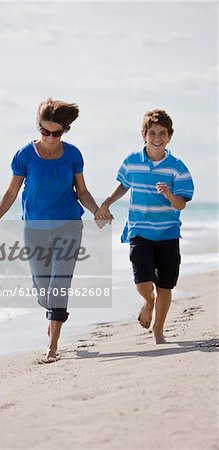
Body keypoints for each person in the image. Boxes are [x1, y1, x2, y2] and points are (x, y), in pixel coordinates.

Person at [0, 98, 100, 362]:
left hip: (68, 224)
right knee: (43, 288)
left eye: (57, 133)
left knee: (60, 282)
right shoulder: (24, 155)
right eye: (45, 131)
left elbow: (82, 191)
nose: (51, 137)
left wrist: (97, 211)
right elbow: (11, 192)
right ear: (38, 127)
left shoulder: (74, 154)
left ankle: (53, 344)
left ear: (65, 131)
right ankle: (52, 312)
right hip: (34, 228)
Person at [95, 109, 194, 344]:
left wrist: (169, 195)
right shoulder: (132, 162)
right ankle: (148, 302)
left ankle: (158, 330)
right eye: (152, 133)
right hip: (139, 230)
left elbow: (181, 205)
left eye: (162, 133)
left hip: (168, 233)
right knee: (143, 283)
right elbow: (123, 185)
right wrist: (107, 203)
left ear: (169, 136)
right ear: (144, 135)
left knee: (165, 286)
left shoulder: (177, 167)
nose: (157, 138)